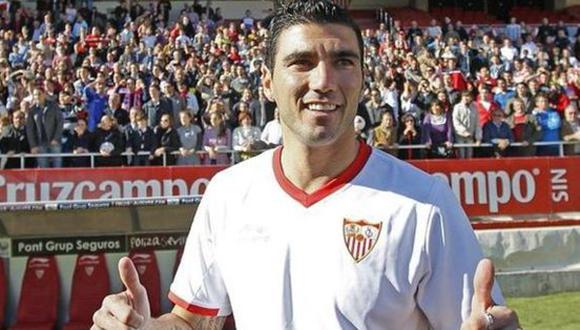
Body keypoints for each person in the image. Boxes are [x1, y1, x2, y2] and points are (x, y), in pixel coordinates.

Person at [92, 1, 520, 329]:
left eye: (343, 62)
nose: (323, 81)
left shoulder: (424, 204)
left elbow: (478, 321)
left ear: (363, 79)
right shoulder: (228, 193)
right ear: (267, 82)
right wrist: (145, 326)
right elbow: (192, 320)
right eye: (301, 62)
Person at [26, 87, 64, 168]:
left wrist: (56, 138)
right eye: (35, 95)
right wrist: (33, 145)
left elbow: (60, 123)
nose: (37, 97)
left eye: (39, 94)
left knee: (57, 166)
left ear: (44, 94)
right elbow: (30, 129)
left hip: (54, 142)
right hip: (40, 143)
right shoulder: (32, 110)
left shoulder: (53, 106)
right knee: (43, 168)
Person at [452, 91, 481, 159]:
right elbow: (456, 122)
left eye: (469, 96)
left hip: (470, 136)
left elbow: (477, 124)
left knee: (470, 155)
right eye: (465, 96)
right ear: (462, 98)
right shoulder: (457, 107)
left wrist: (478, 138)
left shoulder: (474, 108)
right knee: (461, 155)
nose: (467, 98)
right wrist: (464, 131)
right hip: (459, 136)